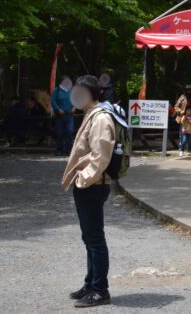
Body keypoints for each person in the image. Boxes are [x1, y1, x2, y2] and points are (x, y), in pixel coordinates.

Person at [61, 75, 116, 308]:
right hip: (88, 183)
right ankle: (90, 283)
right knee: (89, 237)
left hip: (93, 184)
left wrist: (83, 179)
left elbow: (101, 155)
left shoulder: (102, 118)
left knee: (94, 238)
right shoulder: (91, 114)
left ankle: (100, 290)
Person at [52, 75, 75, 156]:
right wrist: (58, 109)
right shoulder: (57, 90)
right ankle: (59, 149)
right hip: (59, 116)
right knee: (59, 133)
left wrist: (74, 107)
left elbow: (75, 100)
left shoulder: (71, 90)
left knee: (70, 131)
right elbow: (53, 102)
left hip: (69, 115)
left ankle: (68, 149)